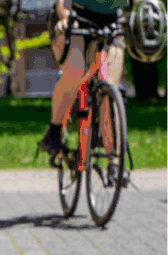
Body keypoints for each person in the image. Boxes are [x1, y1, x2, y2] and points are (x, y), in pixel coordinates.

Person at [37, 0, 129, 182]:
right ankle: (54, 132)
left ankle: (115, 162)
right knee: (75, 71)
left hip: (112, 20)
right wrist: (64, 17)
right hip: (74, 15)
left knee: (109, 88)